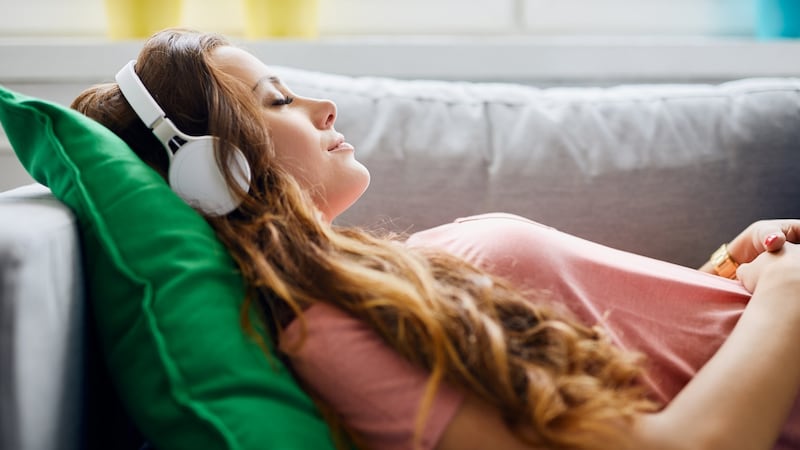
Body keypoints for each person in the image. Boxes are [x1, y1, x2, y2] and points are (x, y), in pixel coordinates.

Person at [71, 28, 800, 450]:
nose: (326, 107)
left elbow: (632, 357)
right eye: (279, 101)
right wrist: (786, 294)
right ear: (216, 171)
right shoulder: (337, 337)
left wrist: (731, 271)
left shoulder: (374, 282)